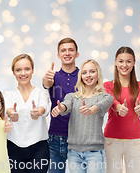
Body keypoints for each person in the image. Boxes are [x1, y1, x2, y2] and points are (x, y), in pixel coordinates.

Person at [51, 59, 114, 173]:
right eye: (84, 73)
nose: (88, 75)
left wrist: (91, 110)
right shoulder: (72, 97)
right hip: (74, 153)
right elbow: (66, 105)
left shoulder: (105, 97)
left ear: (98, 74)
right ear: (80, 76)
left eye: (92, 72)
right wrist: (60, 108)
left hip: (94, 153)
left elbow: (100, 106)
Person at [103, 47, 140, 173]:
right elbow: (110, 99)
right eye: (121, 61)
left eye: (128, 61)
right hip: (111, 141)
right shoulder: (107, 86)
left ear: (134, 63)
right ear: (115, 62)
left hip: (135, 142)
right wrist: (118, 107)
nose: (124, 65)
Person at [5, 54, 51, 173]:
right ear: (14, 73)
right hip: (13, 147)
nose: (23, 73)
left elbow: (44, 106)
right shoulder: (8, 94)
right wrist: (11, 113)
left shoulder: (41, 92)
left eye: (27, 69)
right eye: (18, 70)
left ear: (32, 70)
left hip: (39, 148)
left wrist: (38, 112)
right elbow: (8, 108)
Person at [42, 38, 80, 173]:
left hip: (79, 138)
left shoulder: (84, 76)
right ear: (58, 55)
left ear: (77, 54)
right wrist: (46, 78)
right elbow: (46, 83)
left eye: (71, 50)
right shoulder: (53, 77)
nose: (67, 53)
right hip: (55, 139)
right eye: (63, 50)